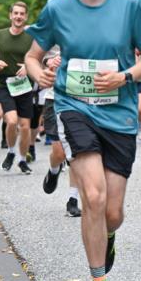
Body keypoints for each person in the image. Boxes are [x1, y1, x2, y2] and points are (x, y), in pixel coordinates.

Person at [25, 0, 141, 281]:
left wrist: (126, 77)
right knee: (94, 198)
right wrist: (40, 74)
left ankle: (108, 235)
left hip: (119, 113)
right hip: (74, 107)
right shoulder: (57, 7)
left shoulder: (130, 4)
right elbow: (35, 56)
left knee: (112, 212)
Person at [0, 2, 36, 174]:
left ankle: (22, 160)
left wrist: (28, 66)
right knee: (12, 121)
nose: (18, 16)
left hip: (24, 85)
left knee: (25, 126)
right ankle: (10, 152)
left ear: (26, 17)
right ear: (10, 15)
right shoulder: (0, 35)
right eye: (15, 13)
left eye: (22, 14)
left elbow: (38, 56)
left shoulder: (31, 37)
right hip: (6, 84)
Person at [39, 45, 83, 217]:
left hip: (79, 100)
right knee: (59, 153)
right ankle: (54, 170)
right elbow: (40, 56)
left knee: (76, 153)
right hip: (54, 98)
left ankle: (72, 200)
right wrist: (49, 61)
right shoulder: (58, 29)